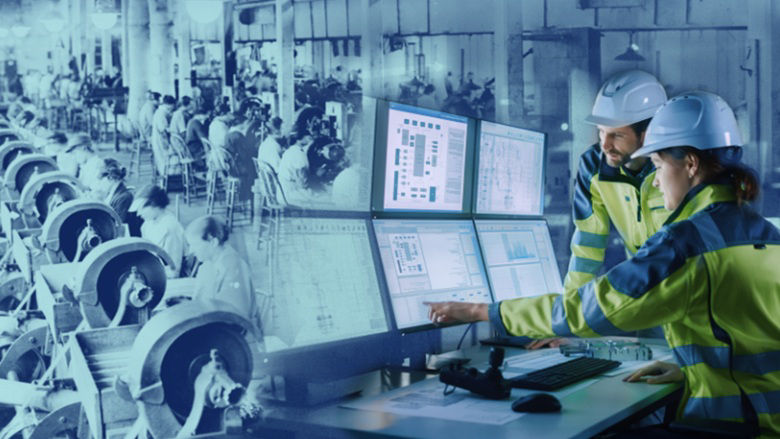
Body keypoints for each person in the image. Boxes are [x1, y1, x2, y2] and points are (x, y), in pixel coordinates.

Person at [426, 91, 780, 438]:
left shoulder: (687, 243)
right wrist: (687, 368)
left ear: (690, 164)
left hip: (734, 424)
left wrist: (481, 311)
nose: (655, 180)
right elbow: (748, 337)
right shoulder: (766, 233)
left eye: (658, 165)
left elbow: (592, 309)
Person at [526, 70, 670, 349]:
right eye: (601, 132)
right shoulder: (593, 166)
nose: (605, 145)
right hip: (646, 301)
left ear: (648, 133)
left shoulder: (676, 167)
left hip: (692, 300)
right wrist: (569, 323)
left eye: (616, 135)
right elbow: (587, 250)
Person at [184, 215, 259, 326]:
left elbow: (235, 318)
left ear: (213, 242)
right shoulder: (208, 264)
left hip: (233, 335)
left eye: (194, 245)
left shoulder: (233, 267)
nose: (190, 251)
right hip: (213, 324)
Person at [129, 184, 186, 278]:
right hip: (154, 267)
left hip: (167, 276)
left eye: (141, 209)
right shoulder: (147, 224)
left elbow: (174, 271)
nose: (138, 214)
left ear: (154, 204)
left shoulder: (170, 228)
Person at [223, 98, 262, 201]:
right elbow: (246, 155)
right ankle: (251, 198)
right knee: (259, 168)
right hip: (239, 168)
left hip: (232, 166)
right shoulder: (237, 136)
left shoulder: (230, 133)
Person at [95, 158, 141, 235]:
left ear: (111, 178)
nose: (100, 185)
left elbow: (118, 224)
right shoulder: (112, 193)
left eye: (101, 181)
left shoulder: (124, 197)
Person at [151, 95, 176, 174]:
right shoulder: (161, 113)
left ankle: (165, 178)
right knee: (163, 161)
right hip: (160, 140)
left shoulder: (161, 111)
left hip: (159, 138)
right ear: (170, 104)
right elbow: (163, 129)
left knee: (162, 160)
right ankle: (165, 180)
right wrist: (172, 130)